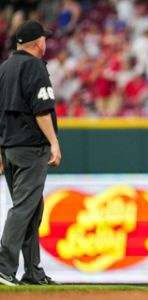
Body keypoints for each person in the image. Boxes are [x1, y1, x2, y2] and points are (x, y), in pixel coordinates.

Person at [0, 20, 61, 286]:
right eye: (44, 39)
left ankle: (33, 272)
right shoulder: (35, 66)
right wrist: (54, 142)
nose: (45, 43)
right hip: (30, 147)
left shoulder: (4, 68)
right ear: (38, 42)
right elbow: (41, 109)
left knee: (32, 209)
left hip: (9, 148)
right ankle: (4, 267)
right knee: (25, 207)